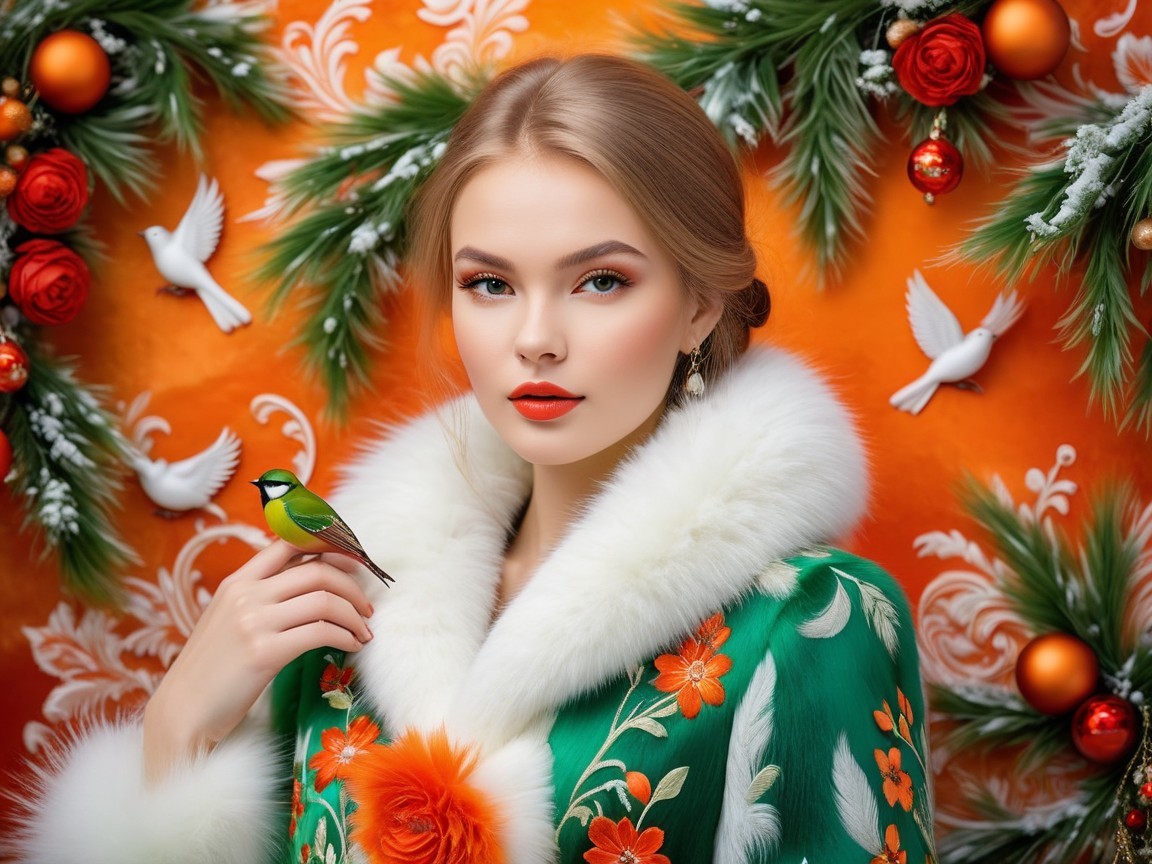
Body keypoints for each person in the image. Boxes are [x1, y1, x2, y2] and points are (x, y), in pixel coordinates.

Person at [12, 54, 935, 864]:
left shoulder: (810, 621)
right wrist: (178, 734)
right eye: (489, 284)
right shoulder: (335, 614)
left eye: (600, 281)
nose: (535, 338)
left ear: (699, 304)